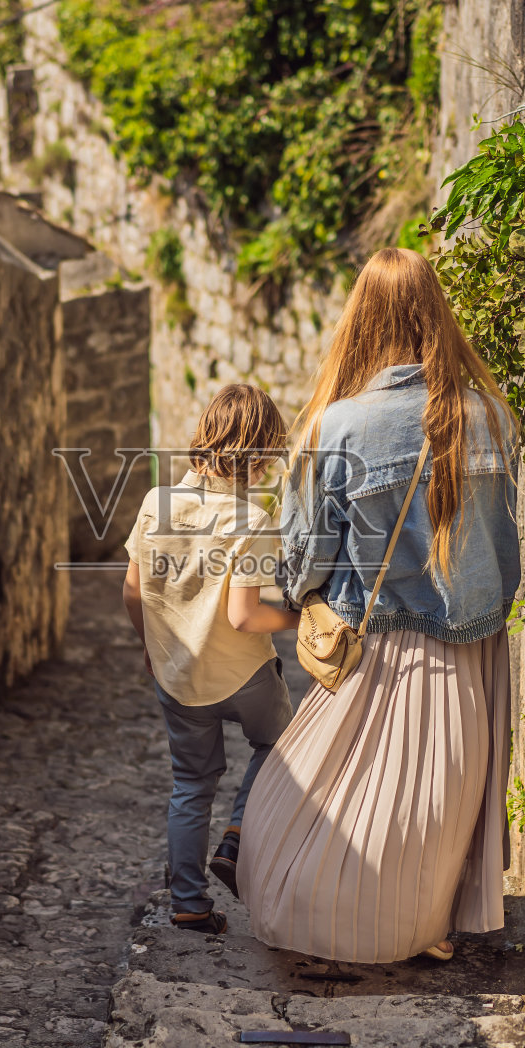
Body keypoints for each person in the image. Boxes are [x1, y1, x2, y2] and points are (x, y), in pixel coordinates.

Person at [236, 247, 522, 964]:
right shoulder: (489, 416)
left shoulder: (340, 427)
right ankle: (430, 926)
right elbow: (506, 557)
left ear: (362, 317)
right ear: (436, 313)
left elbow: (306, 558)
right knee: (436, 809)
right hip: (468, 652)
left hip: (372, 652)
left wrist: (309, 599)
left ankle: (336, 923)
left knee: (314, 801)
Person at [122, 383, 302, 935]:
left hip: (176, 674)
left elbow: (133, 591)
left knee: (190, 784)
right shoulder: (251, 520)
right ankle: (238, 834)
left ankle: (189, 905)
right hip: (244, 673)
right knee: (279, 744)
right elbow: (246, 617)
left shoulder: (158, 503)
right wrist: (297, 617)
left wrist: (153, 650)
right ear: (261, 451)